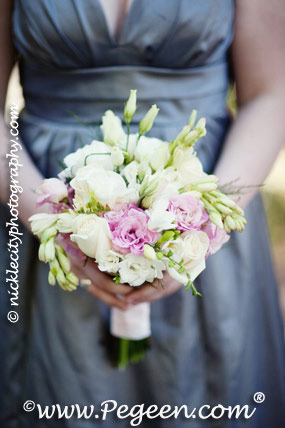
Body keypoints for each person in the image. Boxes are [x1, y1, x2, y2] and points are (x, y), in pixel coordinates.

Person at [0, 0, 284, 427]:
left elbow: (271, 93)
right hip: (35, 203)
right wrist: (56, 223)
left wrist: (202, 229)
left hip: (205, 200)